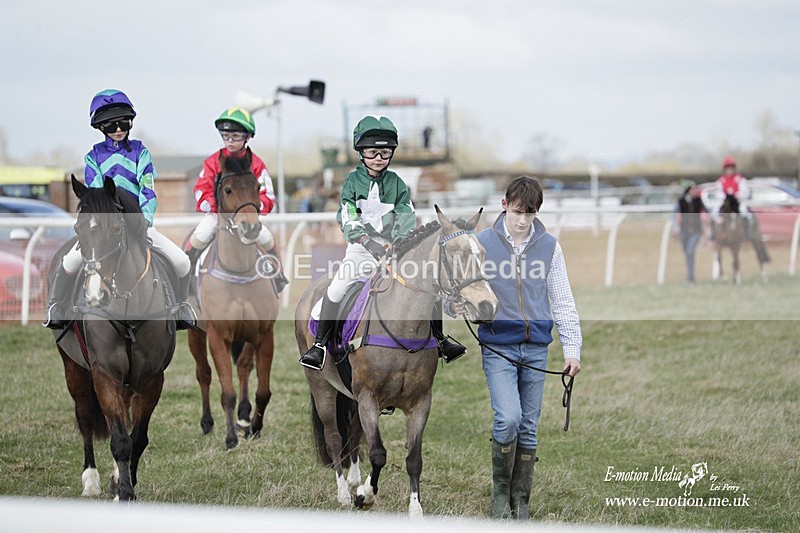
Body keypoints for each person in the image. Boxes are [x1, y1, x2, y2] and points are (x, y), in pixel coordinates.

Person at [299, 115, 465, 370]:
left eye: (385, 153)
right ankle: (319, 345)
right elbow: (348, 214)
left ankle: (441, 340)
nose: (379, 158)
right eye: (374, 152)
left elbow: (406, 215)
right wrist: (366, 240)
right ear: (361, 153)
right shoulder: (352, 182)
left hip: (393, 250)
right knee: (336, 288)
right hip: (360, 250)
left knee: (425, 287)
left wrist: (398, 243)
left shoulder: (398, 184)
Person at [467, 176, 582, 519]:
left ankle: (522, 501)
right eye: (518, 211)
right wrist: (460, 307)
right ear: (504, 206)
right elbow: (461, 292)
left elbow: (562, 300)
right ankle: (501, 493)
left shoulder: (550, 247)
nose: (522, 220)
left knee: (529, 425)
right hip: (498, 347)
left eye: (530, 213)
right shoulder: (481, 243)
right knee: (509, 417)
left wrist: (572, 350)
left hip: (536, 349)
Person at [44, 89, 196, 330]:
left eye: (123, 123)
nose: (118, 129)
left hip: (138, 226)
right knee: (70, 261)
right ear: (101, 127)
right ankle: (57, 307)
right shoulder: (93, 157)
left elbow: (148, 190)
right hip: (104, 229)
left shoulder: (140, 153)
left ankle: (180, 308)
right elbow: (95, 196)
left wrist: (143, 221)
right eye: (110, 125)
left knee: (182, 262)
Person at [185, 107, 288, 292]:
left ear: (247, 137)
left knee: (266, 236)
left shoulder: (256, 164)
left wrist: (252, 211)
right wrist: (217, 210)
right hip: (218, 215)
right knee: (201, 233)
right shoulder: (213, 162)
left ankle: (278, 275)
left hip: (247, 216)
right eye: (225, 136)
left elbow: (268, 195)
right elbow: (202, 189)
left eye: (235, 136)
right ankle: (184, 277)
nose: (230, 141)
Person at [673, 180, 708, 283]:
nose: (695, 191)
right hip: (684, 231)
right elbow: (673, 215)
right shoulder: (681, 201)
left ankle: (691, 277)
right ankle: (690, 276)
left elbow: (707, 210)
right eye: (692, 189)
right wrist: (676, 228)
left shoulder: (698, 200)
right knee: (687, 254)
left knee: (690, 252)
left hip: (695, 231)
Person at [715, 155, 751, 239]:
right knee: (715, 212)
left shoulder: (740, 179)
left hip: (737, 201)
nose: (729, 170)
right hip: (726, 201)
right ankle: (715, 234)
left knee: (744, 211)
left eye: (731, 168)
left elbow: (745, 192)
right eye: (728, 168)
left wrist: (736, 195)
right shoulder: (721, 180)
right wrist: (725, 196)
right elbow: (719, 192)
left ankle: (746, 233)